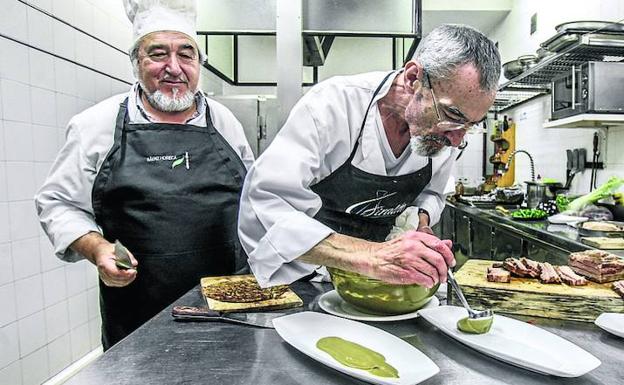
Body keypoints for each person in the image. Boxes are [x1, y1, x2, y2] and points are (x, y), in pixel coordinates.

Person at [35, 0, 254, 350]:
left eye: (186, 54)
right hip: (137, 313)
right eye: (158, 54)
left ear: (199, 63)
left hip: (228, 309)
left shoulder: (225, 121)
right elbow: (58, 203)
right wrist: (97, 248)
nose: (174, 68)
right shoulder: (96, 124)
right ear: (136, 63)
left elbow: (254, 200)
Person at [238, 24, 500, 288]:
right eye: (452, 116)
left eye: (471, 125)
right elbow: (267, 206)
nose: (456, 139)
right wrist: (375, 255)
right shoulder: (334, 106)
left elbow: (431, 194)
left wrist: (420, 224)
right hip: (305, 280)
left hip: (380, 284)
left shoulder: (443, 136)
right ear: (412, 79)